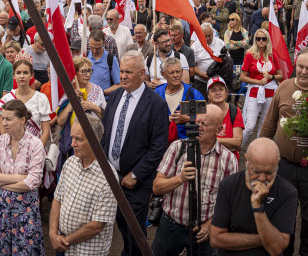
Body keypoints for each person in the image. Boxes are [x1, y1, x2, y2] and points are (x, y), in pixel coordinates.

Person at [101, 50, 169, 256]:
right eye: (121, 71)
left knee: (135, 230)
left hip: (136, 182)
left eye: (128, 72)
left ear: (142, 74)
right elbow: (106, 134)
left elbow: (158, 147)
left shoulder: (156, 104)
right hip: (112, 176)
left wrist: (136, 174)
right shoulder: (114, 97)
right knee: (119, 222)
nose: (122, 76)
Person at [258, 50, 308, 255]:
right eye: (300, 66)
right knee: (283, 219)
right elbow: (269, 122)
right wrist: (259, 151)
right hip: (284, 166)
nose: (303, 72)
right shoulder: (284, 87)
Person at [150, 105, 238, 256]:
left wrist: (211, 225)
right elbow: (157, 188)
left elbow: (230, 202)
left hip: (202, 232)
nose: (199, 127)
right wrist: (180, 178)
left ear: (219, 129)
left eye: (205, 124)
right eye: (198, 122)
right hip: (171, 226)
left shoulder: (228, 159)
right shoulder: (178, 148)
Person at [209, 138, 295, 256]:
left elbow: (276, 249)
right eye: (256, 171)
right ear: (246, 160)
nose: (262, 179)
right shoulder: (229, 185)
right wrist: (264, 239)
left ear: (278, 163)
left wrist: (258, 207)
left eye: (269, 173)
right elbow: (216, 239)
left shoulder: (287, 191)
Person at [49, 113, 118, 256]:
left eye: (78, 139)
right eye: (72, 137)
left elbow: (97, 226)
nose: (72, 143)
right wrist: (52, 233)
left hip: (86, 251)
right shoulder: (70, 163)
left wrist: (64, 241)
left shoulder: (108, 178)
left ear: (95, 141)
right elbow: (57, 199)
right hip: (61, 243)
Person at [0, 99, 45, 255]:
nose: (4, 123)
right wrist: (19, 177)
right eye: (3, 118)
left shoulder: (35, 144)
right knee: (0, 249)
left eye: (9, 119)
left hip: (25, 211)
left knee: (25, 250)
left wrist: (1, 183)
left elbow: (33, 182)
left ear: (22, 120)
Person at [239, 28, 282, 151]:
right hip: (254, 92)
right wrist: (258, 82)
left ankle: (259, 151)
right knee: (249, 126)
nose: (261, 41)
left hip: (270, 93)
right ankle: (236, 148)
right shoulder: (249, 54)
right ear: (255, 40)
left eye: (264, 38)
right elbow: (242, 77)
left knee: (264, 125)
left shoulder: (272, 54)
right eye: (258, 38)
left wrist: (271, 76)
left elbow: (281, 75)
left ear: (267, 39)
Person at [0, 60, 51, 148]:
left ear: (31, 75)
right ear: (13, 75)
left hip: (35, 148)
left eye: (26, 73)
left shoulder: (41, 98)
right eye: (18, 72)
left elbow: (46, 131)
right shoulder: (7, 99)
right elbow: (3, 131)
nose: (22, 76)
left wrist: (36, 150)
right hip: (12, 149)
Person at [155, 57, 206, 142]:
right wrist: (164, 119)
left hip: (187, 144)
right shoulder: (157, 94)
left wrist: (188, 119)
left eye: (178, 72)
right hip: (162, 144)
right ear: (163, 74)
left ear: (182, 72)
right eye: (171, 73)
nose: (175, 75)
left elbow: (206, 120)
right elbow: (149, 118)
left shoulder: (194, 94)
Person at [207, 77, 244, 154]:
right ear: (208, 95)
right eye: (213, 90)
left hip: (230, 161)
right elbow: (201, 141)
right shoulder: (204, 112)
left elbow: (237, 142)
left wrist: (211, 140)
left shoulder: (234, 111)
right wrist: (229, 143)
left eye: (221, 89)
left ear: (226, 93)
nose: (218, 93)